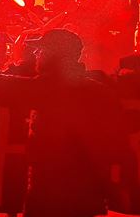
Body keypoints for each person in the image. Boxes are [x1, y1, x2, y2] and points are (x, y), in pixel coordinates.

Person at [24, 29, 120, 217]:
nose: (36, 55)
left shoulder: (45, 88)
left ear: (54, 56)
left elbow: (1, 90)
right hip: (87, 193)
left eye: (41, 50)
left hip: (50, 194)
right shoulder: (98, 90)